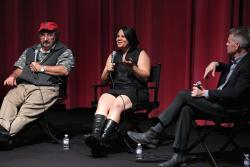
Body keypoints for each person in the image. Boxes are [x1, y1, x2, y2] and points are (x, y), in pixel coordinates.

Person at [127, 26, 250, 167]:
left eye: (229, 42)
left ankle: (153, 133)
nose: (226, 44)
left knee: (183, 95)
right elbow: (232, 70)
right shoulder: (238, 60)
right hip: (220, 104)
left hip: (231, 109)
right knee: (186, 109)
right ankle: (180, 155)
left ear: (237, 45)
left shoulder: (248, 65)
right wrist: (216, 64)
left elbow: (236, 93)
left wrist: (204, 93)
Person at [0, 21, 75, 145]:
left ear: (55, 35)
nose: (45, 38)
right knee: (9, 99)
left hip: (47, 88)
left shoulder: (64, 51)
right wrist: (12, 76)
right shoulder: (30, 50)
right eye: (43, 35)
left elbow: (64, 70)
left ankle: (6, 136)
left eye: (49, 35)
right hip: (24, 85)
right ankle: (2, 130)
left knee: (26, 110)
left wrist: (42, 68)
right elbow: (19, 69)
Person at [84, 26, 151, 157]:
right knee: (103, 98)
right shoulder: (114, 55)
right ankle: (96, 137)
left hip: (136, 90)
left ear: (130, 38)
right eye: (117, 36)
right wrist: (106, 70)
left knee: (117, 104)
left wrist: (133, 68)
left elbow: (145, 76)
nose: (119, 38)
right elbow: (103, 81)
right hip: (117, 89)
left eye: (122, 36)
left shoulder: (140, 53)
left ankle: (101, 141)